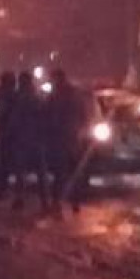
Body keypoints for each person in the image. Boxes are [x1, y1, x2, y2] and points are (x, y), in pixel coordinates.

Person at [43, 69, 88, 213]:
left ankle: (58, 203)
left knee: (60, 173)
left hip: (61, 139)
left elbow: (49, 116)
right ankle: (74, 202)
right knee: (73, 172)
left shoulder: (56, 96)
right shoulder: (75, 95)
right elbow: (84, 116)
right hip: (72, 139)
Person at [6, 71, 48, 210]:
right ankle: (44, 201)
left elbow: (14, 119)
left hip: (23, 140)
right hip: (37, 140)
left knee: (21, 172)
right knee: (40, 172)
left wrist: (10, 133)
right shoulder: (38, 98)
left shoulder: (21, 99)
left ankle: (20, 199)